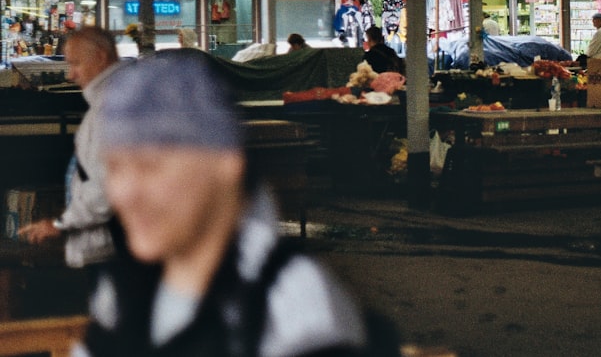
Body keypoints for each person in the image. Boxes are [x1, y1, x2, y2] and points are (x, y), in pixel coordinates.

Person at [77, 49, 375, 356]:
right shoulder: (128, 287)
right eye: (114, 168)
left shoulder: (292, 308)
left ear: (225, 164)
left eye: (150, 167)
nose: (125, 193)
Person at [19, 27, 121, 270]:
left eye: (76, 64)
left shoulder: (114, 109)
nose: (70, 75)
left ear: (100, 57)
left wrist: (59, 224)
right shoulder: (109, 104)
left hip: (116, 248)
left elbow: (104, 187)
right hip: (111, 245)